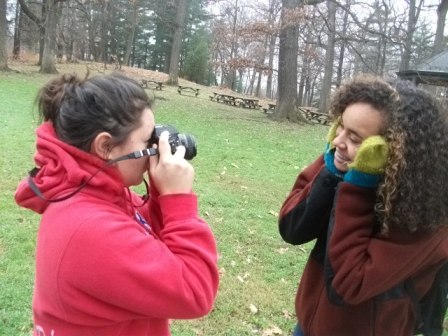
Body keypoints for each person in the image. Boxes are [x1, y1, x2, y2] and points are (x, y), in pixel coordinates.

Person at [15, 73, 219, 336]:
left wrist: (160, 192)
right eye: (148, 142)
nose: (155, 149)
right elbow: (195, 291)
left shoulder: (90, 191)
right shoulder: (89, 227)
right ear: (106, 146)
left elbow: (145, 233)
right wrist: (178, 201)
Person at [278, 75, 448, 336]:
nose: (337, 142)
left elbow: (348, 284)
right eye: (340, 127)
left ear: (394, 150)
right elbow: (291, 227)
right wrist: (331, 174)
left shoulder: (426, 215)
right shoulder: (341, 160)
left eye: (355, 138)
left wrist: (358, 187)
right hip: (308, 325)